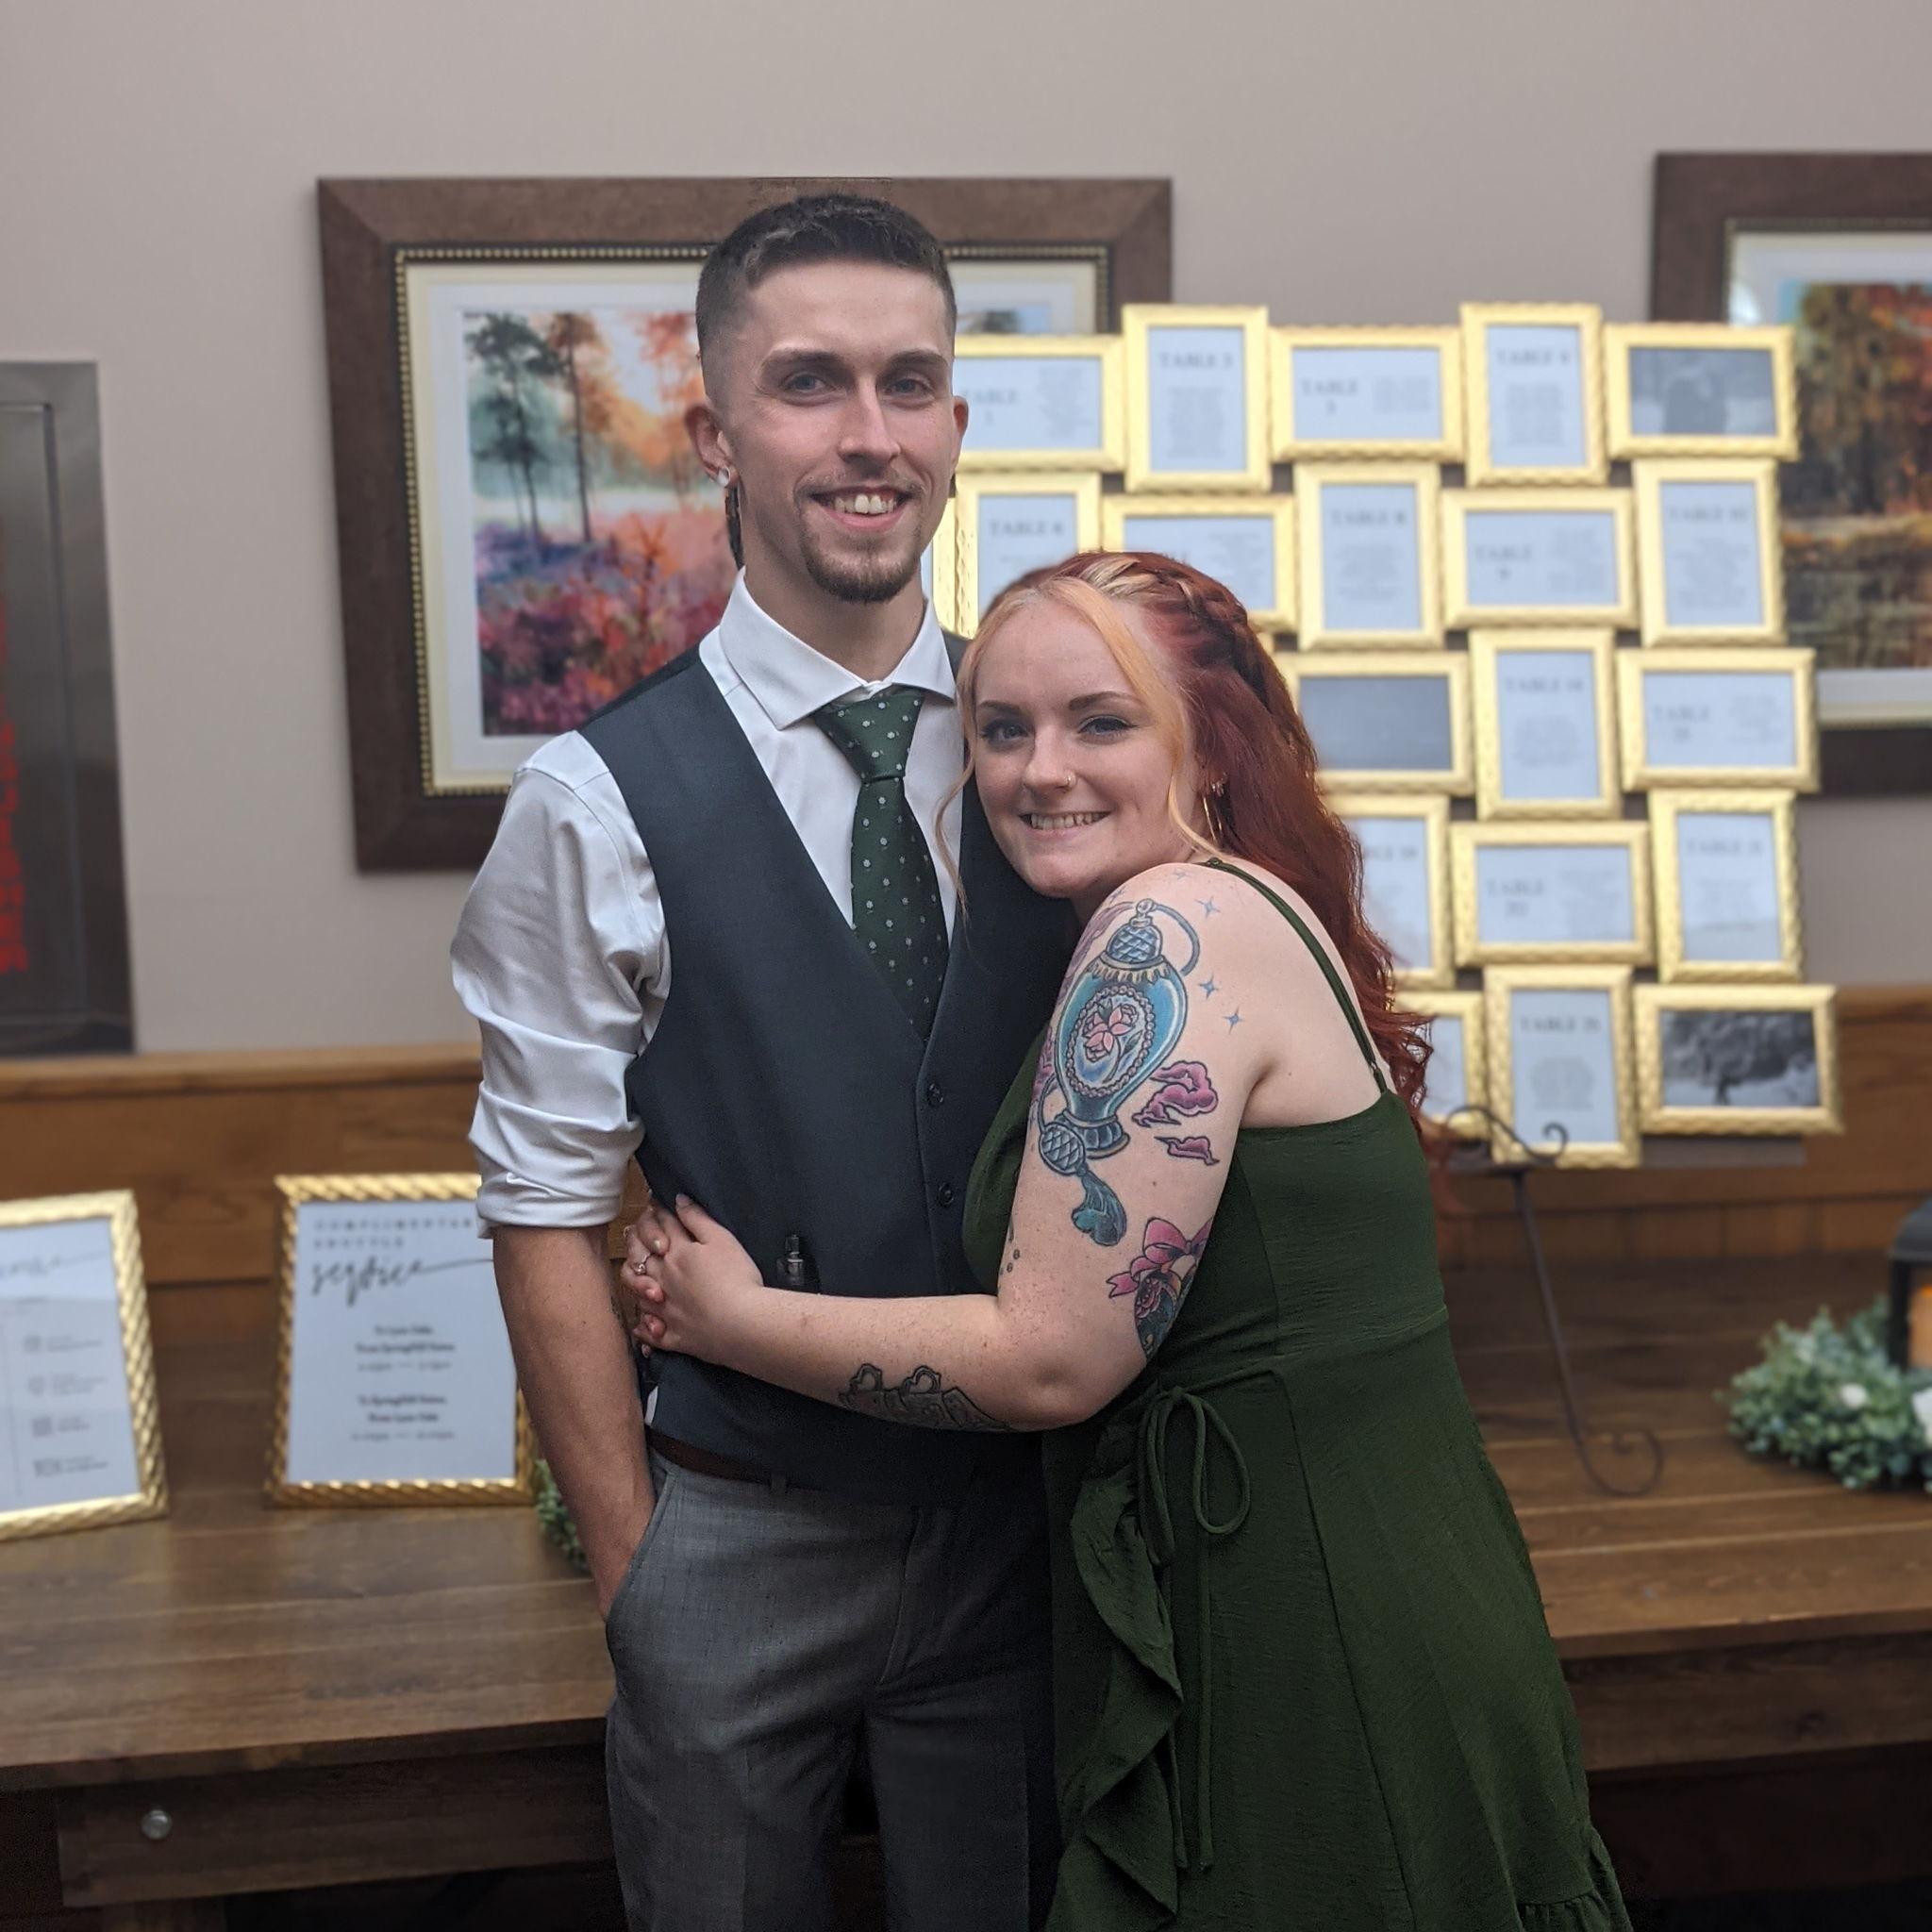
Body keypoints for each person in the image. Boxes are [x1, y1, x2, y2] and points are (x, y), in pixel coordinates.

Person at [626, 551, 1634, 1931]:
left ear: (1209, 745)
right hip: (1359, 1557)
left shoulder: (1171, 930)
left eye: (1100, 723)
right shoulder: (1238, 901)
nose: (1040, 771)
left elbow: (1052, 1358)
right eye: (1002, 730)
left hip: (1307, 1607)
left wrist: (730, 1320)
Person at [452, 193, 1073, 1932]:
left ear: (956, 424)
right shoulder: (593, 802)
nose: (870, 436)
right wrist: (641, 1574)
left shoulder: (1064, 758)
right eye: (810, 384)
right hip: (739, 1533)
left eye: (908, 384)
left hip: (1029, 1535)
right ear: (716, 432)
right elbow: (542, 1206)